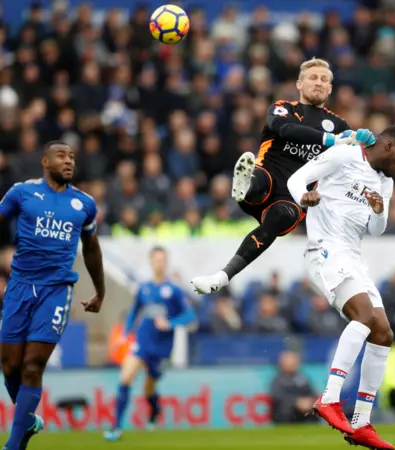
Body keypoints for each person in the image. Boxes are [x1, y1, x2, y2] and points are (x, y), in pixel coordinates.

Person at [191, 58, 375, 295]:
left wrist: (369, 144)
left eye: (324, 80)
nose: (318, 83)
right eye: (313, 78)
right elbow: (286, 130)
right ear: (299, 84)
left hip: (293, 197)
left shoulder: (339, 125)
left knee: (278, 219)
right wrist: (331, 140)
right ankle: (244, 188)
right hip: (268, 176)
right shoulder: (283, 108)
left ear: (330, 88)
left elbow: (356, 162)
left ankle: (222, 276)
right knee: (260, 182)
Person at [287, 126, 395, 450]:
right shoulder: (344, 155)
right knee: (365, 315)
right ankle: (329, 398)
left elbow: (376, 230)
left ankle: (361, 422)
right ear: (387, 145)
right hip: (325, 251)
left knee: (383, 332)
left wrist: (378, 209)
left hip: (354, 257)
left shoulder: (386, 182)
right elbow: (296, 179)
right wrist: (304, 196)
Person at [0, 140, 105, 449]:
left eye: (72, 156)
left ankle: (14, 444)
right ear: (45, 161)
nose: (69, 161)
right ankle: (29, 421)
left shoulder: (84, 204)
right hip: (19, 287)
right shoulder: (22, 192)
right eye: (61, 156)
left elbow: (92, 250)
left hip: (56, 290)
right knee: (9, 365)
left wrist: (100, 291)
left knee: (32, 365)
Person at [104, 246, 196, 441]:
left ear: (166, 263)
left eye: (163, 260)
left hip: (161, 348)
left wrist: (170, 323)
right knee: (126, 378)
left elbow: (190, 315)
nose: (159, 263)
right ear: (151, 262)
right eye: (156, 259)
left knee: (148, 389)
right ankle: (116, 428)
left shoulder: (174, 290)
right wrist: (125, 334)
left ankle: (154, 409)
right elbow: (133, 311)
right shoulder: (143, 288)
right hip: (142, 342)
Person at [269, 350, 317, 424]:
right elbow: (278, 397)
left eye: (294, 361)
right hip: (286, 414)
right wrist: (296, 403)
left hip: (304, 412)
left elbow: (311, 393)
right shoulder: (278, 380)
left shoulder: (302, 378)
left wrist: (309, 402)